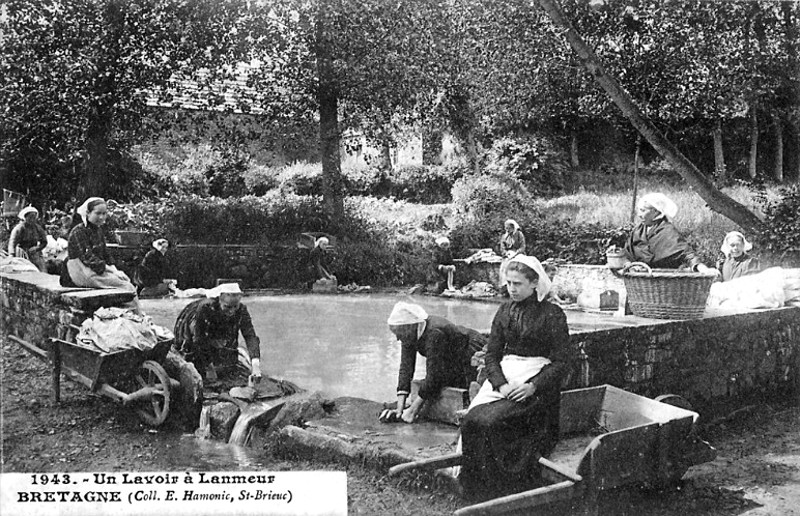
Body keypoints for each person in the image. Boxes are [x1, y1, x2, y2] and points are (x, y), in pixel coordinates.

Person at [459, 254, 570, 501]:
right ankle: (477, 490)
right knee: (473, 419)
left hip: (539, 389)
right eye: (509, 283)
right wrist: (501, 384)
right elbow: (492, 355)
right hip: (508, 380)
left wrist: (533, 387)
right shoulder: (504, 311)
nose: (512, 289)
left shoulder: (552, 314)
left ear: (534, 283)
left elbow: (562, 362)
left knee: (492, 423)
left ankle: (503, 488)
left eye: (518, 284)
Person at [381, 302, 487, 424]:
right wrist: (399, 410)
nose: (398, 339)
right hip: (449, 357)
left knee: (465, 389)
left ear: (410, 326)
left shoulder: (434, 333)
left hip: (468, 351)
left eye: (399, 334)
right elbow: (406, 368)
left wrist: (412, 410)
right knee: (436, 382)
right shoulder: (409, 335)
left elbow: (434, 375)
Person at [173, 283, 262, 383]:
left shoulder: (241, 310)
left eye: (235, 307)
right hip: (194, 331)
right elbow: (199, 338)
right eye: (227, 307)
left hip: (218, 334)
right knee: (198, 368)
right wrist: (209, 367)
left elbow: (250, 336)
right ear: (219, 301)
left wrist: (255, 365)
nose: (231, 311)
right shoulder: (206, 308)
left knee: (229, 368)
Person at [621, 193, 715, 273]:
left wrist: (702, 268)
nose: (639, 214)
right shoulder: (638, 231)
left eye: (643, 211)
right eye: (639, 210)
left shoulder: (668, 231)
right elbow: (626, 253)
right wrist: (630, 265)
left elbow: (686, 253)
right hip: (638, 282)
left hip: (663, 282)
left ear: (656, 212)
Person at [62, 197, 137, 293]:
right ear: (88, 213)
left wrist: (115, 270)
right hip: (79, 272)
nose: (101, 217)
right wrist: (112, 271)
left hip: (93, 270)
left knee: (125, 280)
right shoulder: (78, 231)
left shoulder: (98, 230)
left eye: (104, 213)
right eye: (97, 213)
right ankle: (132, 308)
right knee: (125, 286)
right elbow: (88, 257)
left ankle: (130, 308)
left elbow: (106, 254)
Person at [8, 206, 48, 272]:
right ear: (25, 217)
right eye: (30, 217)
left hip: (34, 252)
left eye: (34, 217)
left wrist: (37, 248)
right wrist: (11, 255)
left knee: (42, 270)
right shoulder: (19, 228)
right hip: (22, 252)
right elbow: (12, 242)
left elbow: (44, 242)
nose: (32, 220)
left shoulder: (38, 228)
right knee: (23, 270)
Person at [498, 219, 526, 295]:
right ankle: (505, 286)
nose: (507, 230)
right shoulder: (504, 236)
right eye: (506, 228)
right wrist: (506, 253)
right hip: (508, 255)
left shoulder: (519, 234)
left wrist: (515, 253)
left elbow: (522, 247)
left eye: (509, 228)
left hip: (518, 253)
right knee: (504, 266)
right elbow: (502, 247)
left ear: (513, 227)